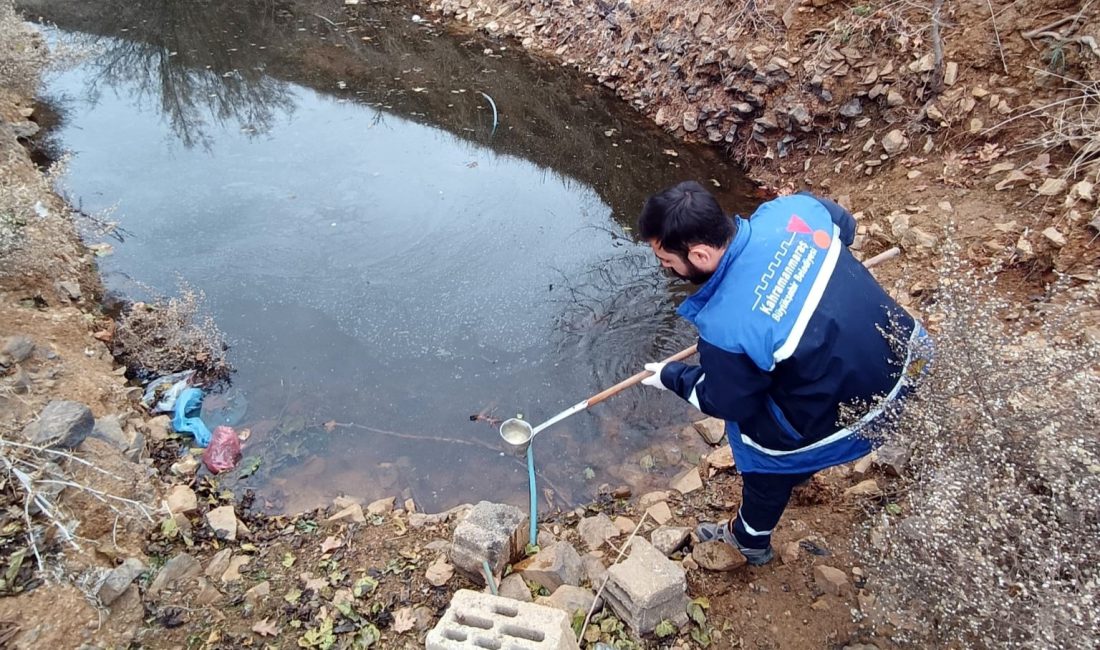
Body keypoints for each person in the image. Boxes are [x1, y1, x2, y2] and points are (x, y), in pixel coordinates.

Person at [637, 180, 930, 566]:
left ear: (701, 254)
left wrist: (671, 376)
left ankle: (749, 540)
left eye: (667, 262)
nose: (666, 270)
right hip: (913, 358)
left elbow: (725, 401)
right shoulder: (792, 212)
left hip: (871, 410)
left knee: (755, 439)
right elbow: (847, 227)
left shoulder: (726, 324)